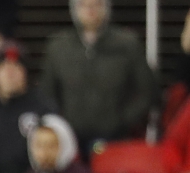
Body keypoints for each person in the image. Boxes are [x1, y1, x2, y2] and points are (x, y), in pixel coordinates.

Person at [39, 0, 154, 155]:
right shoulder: (58, 47)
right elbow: (47, 94)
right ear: (74, 9)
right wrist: (61, 126)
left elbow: (147, 91)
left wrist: (123, 122)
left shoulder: (128, 44)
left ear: (107, 8)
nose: (90, 10)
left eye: (96, 4)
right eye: (83, 5)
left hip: (117, 140)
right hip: (70, 143)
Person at [0, 41, 56, 173]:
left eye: (16, 66)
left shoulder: (43, 108)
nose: (9, 73)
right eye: (4, 67)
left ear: (26, 73)